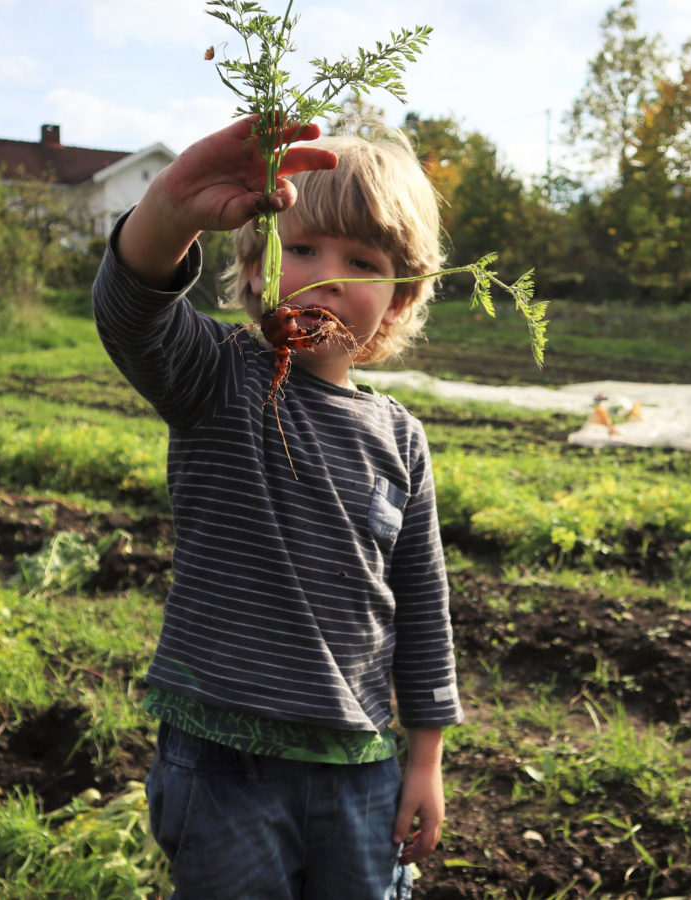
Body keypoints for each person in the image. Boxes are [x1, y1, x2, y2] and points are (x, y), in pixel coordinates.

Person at [91, 116, 462, 900]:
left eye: (361, 261)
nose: (326, 277)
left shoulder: (401, 438)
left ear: (398, 302)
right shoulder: (217, 379)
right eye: (301, 250)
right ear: (257, 270)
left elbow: (424, 608)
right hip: (224, 768)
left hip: (360, 769)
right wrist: (173, 206)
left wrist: (423, 759)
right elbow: (132, 308)